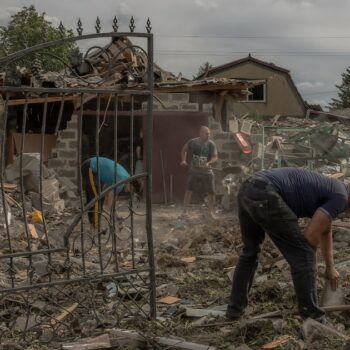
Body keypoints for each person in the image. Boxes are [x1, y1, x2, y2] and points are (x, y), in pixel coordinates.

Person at [227, 167, 350, 323]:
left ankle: (234, 311)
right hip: (267, 192)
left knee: (250, 252)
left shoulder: (334, 188)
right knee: (303, 255)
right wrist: (308, 263)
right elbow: (310, 235)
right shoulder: (341, 197)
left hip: (249, 187)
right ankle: (313, 319)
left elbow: (325, 231)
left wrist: (330, 267)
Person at [81, 156, 130, 231]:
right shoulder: (122, 179)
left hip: (90, 166)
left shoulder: (124, 177)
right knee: (97, 199)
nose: (129, 191)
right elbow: (111, 194)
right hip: (90, 166)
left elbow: (106, 191)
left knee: (95, 198)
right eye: (131, 189)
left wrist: (112, 212)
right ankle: (95, 227)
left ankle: (92, 226)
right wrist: (107, 209)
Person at [180, 126, 218, 218]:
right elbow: (184, 149)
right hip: (194, 170)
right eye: (206, 133)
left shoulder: (211, 144)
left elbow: (215, 157)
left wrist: (209, 162)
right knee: (189, 190)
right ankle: (185, 212)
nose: (208, 135)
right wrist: (183, 160)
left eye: (209, 133)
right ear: (200, 133)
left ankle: (211, 212)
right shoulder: (193, 142)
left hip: (207, 171)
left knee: (211, 192)